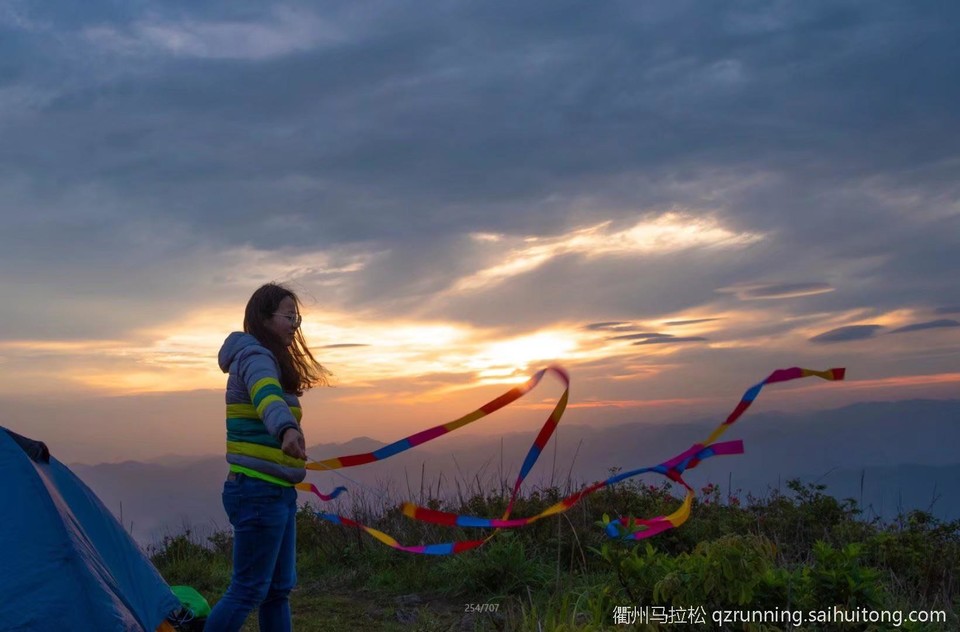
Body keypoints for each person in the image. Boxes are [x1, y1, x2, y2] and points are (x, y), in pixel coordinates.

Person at [205, 283, 330, 632]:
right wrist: (286, 430)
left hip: (276, 492)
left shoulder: (264, 357)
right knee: (247, 591)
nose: (295, 324)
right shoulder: (256, 357)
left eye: (297, 317)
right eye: (289, 316)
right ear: (263, 318)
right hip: (258, 493)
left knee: (277, 591)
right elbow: (267, 397)